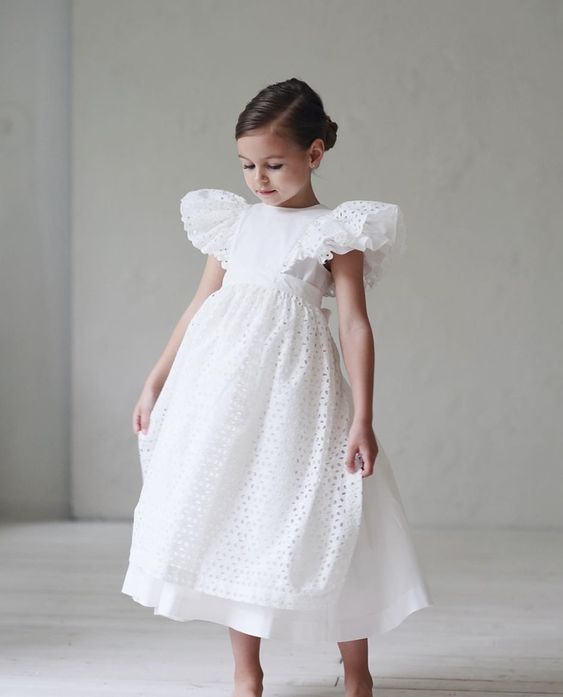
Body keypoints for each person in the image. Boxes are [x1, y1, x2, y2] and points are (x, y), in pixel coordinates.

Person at [121, 76, 433, 697]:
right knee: (237, 511)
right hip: (223, 395)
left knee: (329, 514)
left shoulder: (334, 230)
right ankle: (247, 675)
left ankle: (356, 672)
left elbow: (353, 323)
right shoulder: (233, 225)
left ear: (314, 154)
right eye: (247, 165)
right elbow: (199, 306)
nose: (258, 179)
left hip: (298, 396)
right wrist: (156, 379)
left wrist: (363, 418)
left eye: (273, 164)